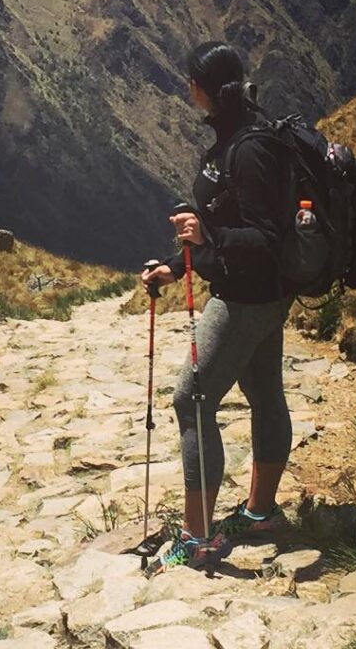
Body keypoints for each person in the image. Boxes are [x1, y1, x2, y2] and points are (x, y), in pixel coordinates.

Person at [140, 41, 296, 575]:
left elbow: (266, 238)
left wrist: (207, 233)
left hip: (246, 299)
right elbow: (227, 226)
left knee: (191, 399)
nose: (187, 90)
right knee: (263, 394)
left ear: (206, 89)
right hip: (261, 295)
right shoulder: (236, 136)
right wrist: (177, 265)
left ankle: (198, 538)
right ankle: (259, 514)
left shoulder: (249, 149)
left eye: (191, 82)